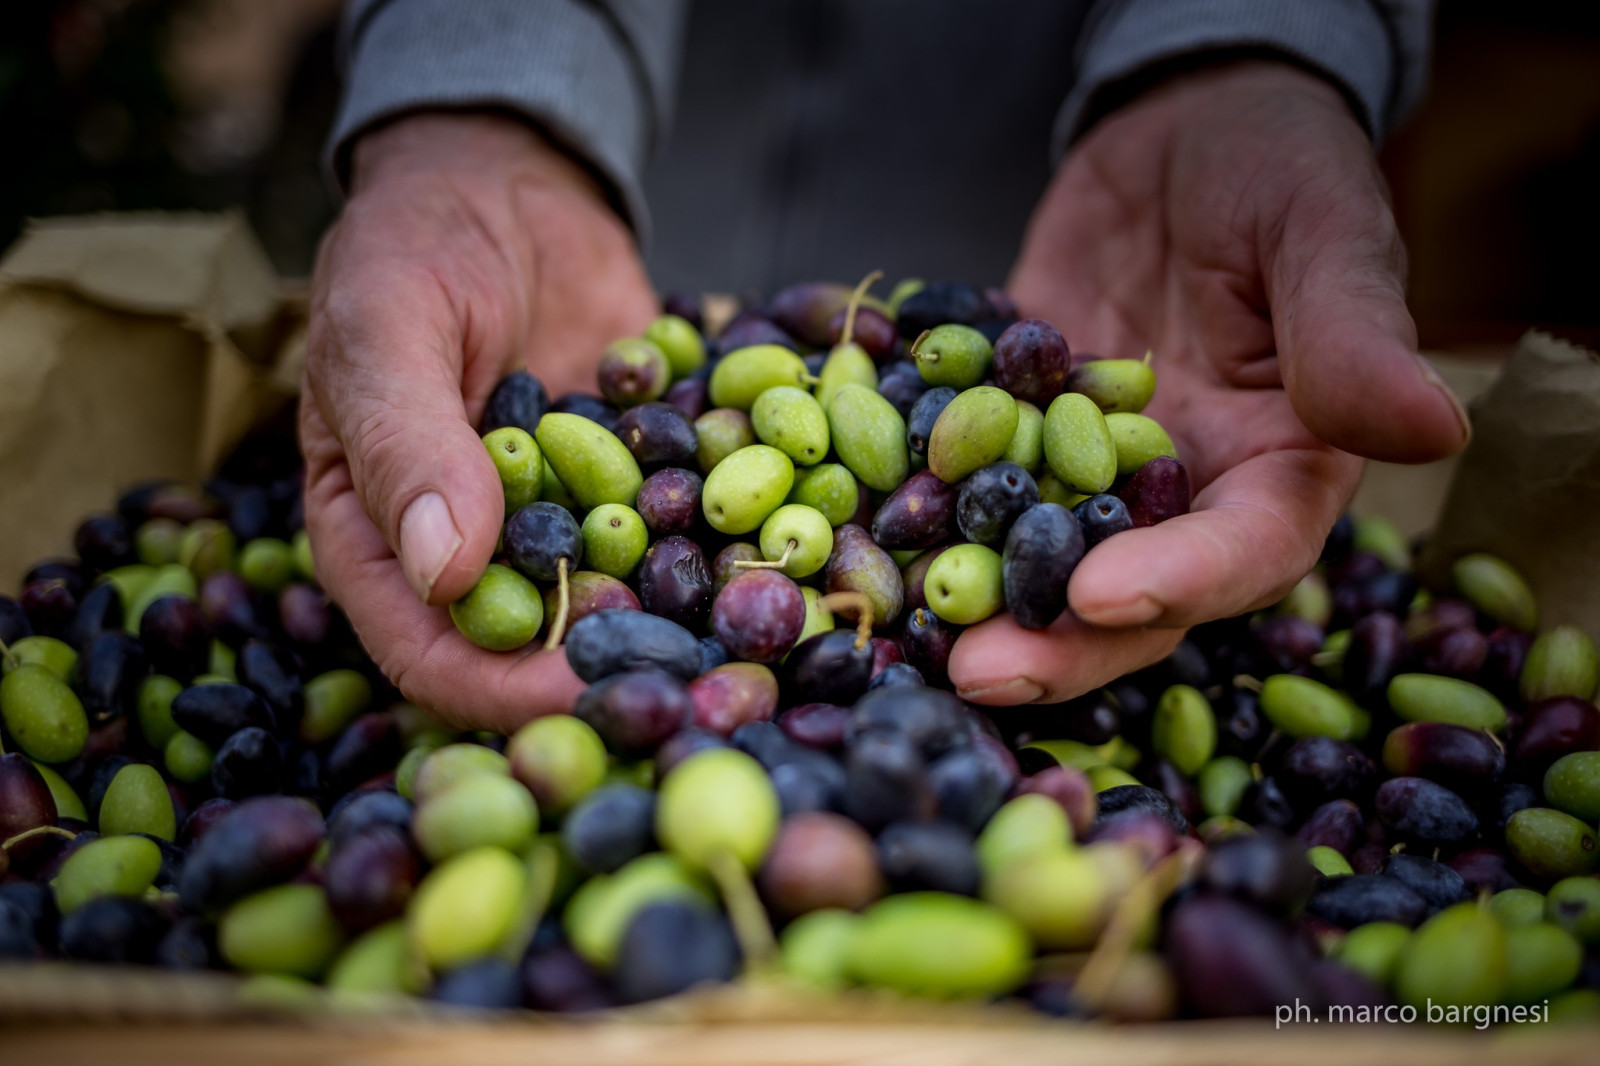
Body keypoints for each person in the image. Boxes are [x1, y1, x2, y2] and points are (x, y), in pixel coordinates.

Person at [302, 0, 1470, 731]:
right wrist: (480, 89)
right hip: (623, 193)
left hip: (1041, 156)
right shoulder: (749, 471)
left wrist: (1242, 40)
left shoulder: (962, 430)